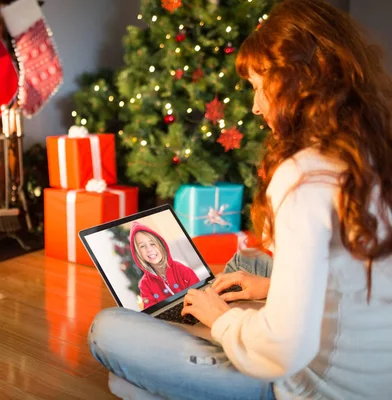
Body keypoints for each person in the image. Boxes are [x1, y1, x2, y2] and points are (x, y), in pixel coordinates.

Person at [87, 0, 392, 398]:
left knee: (107, 329)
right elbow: (347, 272)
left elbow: (284, 351)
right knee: (248, 265)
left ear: (294, 81)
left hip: (314, 386)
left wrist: (222, 321)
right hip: (376, 371)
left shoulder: (304, 174)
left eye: (258, 87)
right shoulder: (371, 149)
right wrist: (268, 288)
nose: (255, 105)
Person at [130, 221, 200, 309]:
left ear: (161, 245)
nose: (149, 249)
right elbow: (151, 310)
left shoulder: (180, 268)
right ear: (138, 254)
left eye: (152, 244)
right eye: (142, 246)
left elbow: (199, 292)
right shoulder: (145, 285)